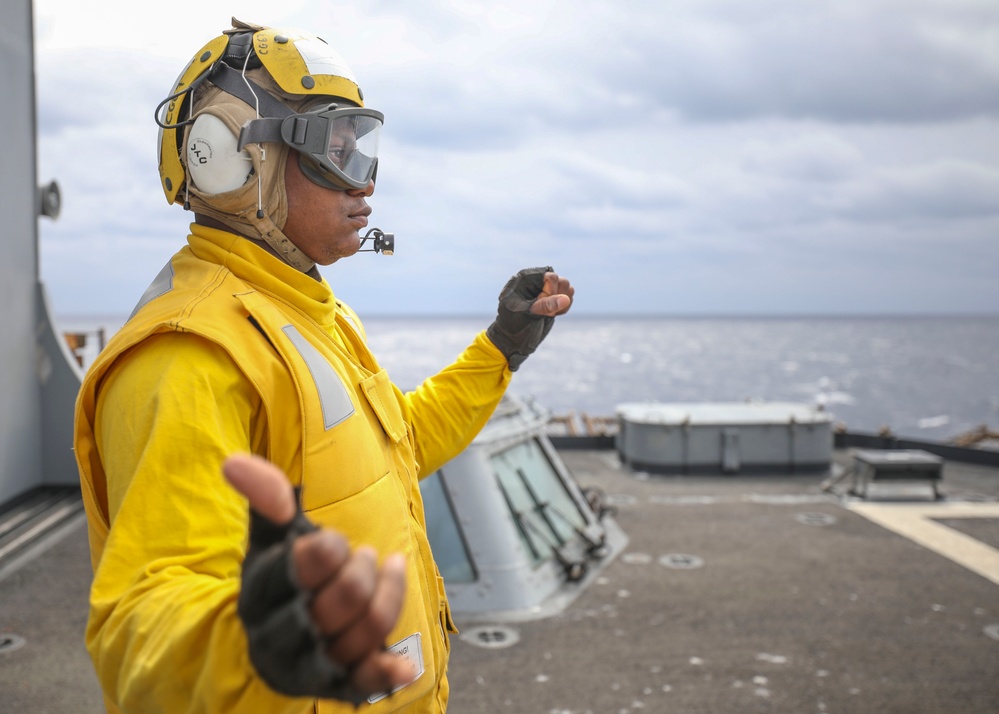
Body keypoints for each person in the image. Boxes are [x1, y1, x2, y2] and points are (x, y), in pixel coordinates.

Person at [73, 18, 573, 714]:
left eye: (360, 151)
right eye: (331, 153)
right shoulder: (188, 353)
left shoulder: (310, 314)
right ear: (227, 160)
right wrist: (248, 645)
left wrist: (502, 348)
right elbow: (147, 619)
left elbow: (400, 444)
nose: (361, 185)